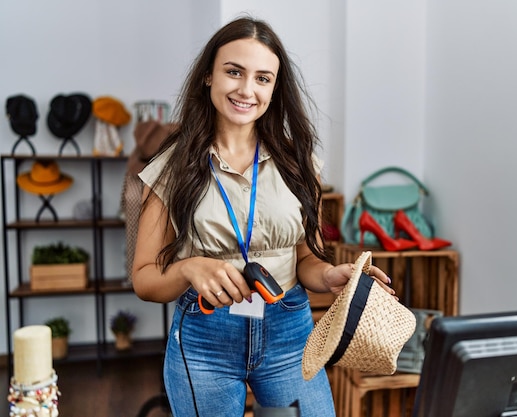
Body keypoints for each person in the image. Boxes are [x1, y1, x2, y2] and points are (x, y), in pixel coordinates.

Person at [132, 16, 394, 417]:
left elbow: (306, 258)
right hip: (206, 337)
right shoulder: (172, 166)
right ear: (208, 76)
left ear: (275, 87)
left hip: (288, 330)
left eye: (263, 78)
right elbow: (144, 279)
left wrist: (329, 276)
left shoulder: (299, 162)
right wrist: (189, 269)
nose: (246, 89)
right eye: (234, 72)